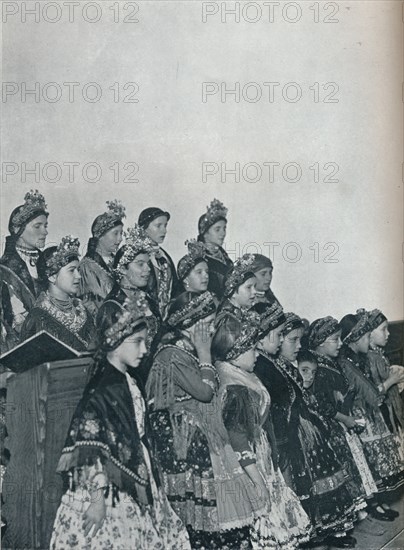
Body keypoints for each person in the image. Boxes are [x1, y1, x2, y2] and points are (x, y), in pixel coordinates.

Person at [50, 296, 190, 549]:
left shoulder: (127, 381)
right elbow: (87, 446)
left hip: (135, 469)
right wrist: (96, 500)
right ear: (115, 343)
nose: (144, 350)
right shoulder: (104, 388)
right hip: (107, 487)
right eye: (137, 343)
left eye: (145, 342)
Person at [147, 291, 259, 548]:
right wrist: (205, 354)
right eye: (206, 324)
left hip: (198, 434)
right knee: (199, 508)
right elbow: (205, 392)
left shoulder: (188, 350)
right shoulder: (171, 354)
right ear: (188, 324)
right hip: (182, 440)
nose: (210, 330)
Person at [212, 303, 312, 549]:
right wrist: (257, 480)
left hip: (263, 456)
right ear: (236, 353)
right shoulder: (235, 388)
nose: (257, 354)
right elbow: (239, 441)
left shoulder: (243, 375)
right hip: (253, 465)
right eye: (252, 349)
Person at [255, 309, 356, 547]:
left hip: (304, 429)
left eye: (299, 339)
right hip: (288, 435)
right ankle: (312, 534)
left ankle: (327, 530)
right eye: (292, 339)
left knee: (319, 481)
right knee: (303, 486)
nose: (297, 345)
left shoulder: (288, 364)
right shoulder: (267, 366)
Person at [307, 317, 380, 532]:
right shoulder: (317, 369)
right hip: (334, 429)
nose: (340, 344)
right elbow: (324, 406)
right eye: (335, 339)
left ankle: (358, 510)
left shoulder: (331, 363)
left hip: (344, 426)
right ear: (320, 342)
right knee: (344, 471)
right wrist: (346, 419)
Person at [338, 310, 404, 521]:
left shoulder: (360, 359)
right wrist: (390, 381)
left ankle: (381, 502)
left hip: (372, 415)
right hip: (362, 417)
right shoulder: (347, 364)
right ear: (355, 339)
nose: (369, 340)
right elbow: (372, 394)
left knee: (378, 461)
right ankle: (375, 504)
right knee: (370, 462)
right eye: (366, 336)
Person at [21, 236, 96, 352]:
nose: (79, 276)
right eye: (71, 270)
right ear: (52, 276)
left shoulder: (84, 311)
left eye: (78, 270)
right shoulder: (37, 318)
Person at [108, 223, 162, 385]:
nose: (147, 270)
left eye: (148, 264)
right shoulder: (112, 307)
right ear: (123, 269)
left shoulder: (150, 301)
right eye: (140, 264)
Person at [0, 190, 49, 352]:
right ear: (18, 230)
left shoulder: (50, 262)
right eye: (37, 226)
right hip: (20, 348)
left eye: (45, 226)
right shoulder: (4, 269)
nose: (45, 231)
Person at [78, 200, 125, 317]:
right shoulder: (87, 265)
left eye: (121, 233)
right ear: (100, 235)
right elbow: (89, 303)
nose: (120, 239)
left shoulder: (120, 260)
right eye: (115, 233)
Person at [367, 309, 404, 442]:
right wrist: (392, 380)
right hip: (383, 415)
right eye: (383, 330)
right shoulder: (370, 358)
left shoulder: (379, 354)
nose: (388, 334)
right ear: (370, 334)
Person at [138, 207, 179, 319]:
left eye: (165, 226)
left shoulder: (165, 256)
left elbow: (175, 289)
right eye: (158, 226)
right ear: (144, 228)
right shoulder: (136, 256)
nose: (164, 230)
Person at [197, 199, 233, 299]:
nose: (223, 233)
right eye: (217, 229)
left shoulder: (224, 257)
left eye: (224, 228)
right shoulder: (199, 259)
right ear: (205, 233)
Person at [215, 253, 257, 327]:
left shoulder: (240, 315)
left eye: (255, 286)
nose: (254, 292)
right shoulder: (227, 320)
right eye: (249, 287)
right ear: (233, 292)